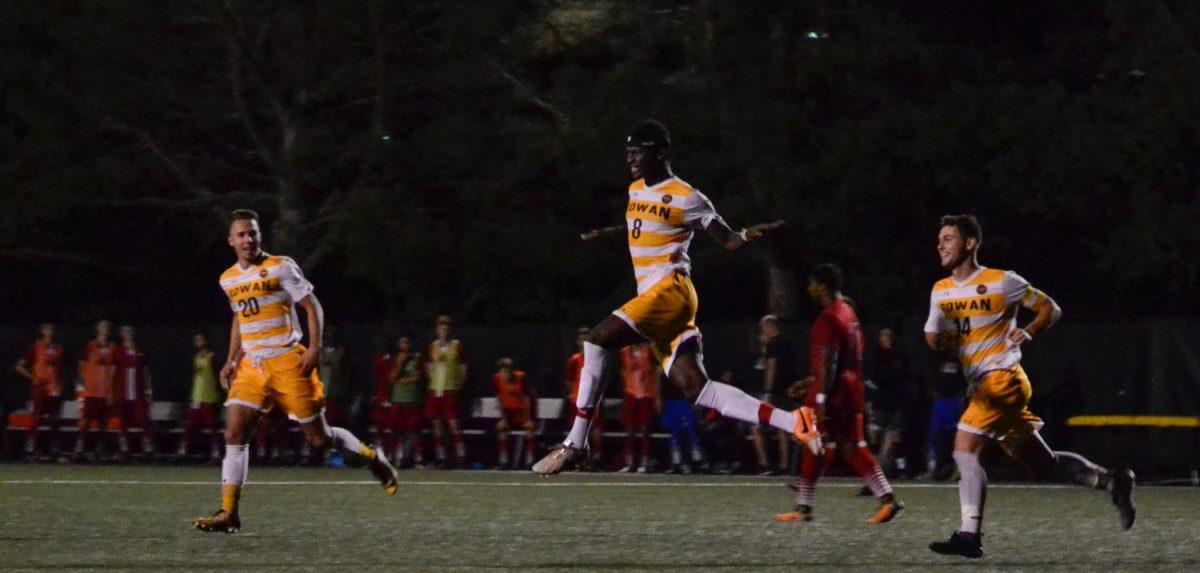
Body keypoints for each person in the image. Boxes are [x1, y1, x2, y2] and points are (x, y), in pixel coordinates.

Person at [533, 120, 819, 476]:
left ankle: (576, 442)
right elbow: (640, 228)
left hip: (670, 291)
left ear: (660, 153)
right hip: (659, 299)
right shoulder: (636, 190)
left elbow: (727, 239)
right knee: (699, 390)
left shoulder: (687, 196)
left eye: (637, 152)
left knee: (595, 342)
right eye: (628, 153)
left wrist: (752, 234)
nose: (630, 159)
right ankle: (794, 421)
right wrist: (608, 234)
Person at [923, 214, 1135, 558]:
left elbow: (1050, 308)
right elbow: (932, 336)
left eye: (948, 238)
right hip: (982, 386)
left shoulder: (1002, 281)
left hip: (1003, 379)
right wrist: (943, 342)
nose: (941, 245)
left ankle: (968, 535)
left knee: (964, 450)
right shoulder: (941, 290)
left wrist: (1029, 331)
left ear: (970, 243)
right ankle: (1111, 481)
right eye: (940, 239)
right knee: (1044, 463)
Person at [192, 209, 397, 534]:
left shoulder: (280, 267)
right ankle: (228, 512)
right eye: (242, 234)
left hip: (288, 361)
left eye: (253, 233)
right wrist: (232, 358)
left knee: (320, 438)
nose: (248, 239)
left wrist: (314, 348)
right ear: (230, 240)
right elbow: (240, 318)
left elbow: (312, 305)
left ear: (260, 236)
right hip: (253, 367)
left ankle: (373, 458)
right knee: (234, 433)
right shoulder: (228, 279)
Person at [776, 264, 902, 524]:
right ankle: (887, 500)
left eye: (812, 283)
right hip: (851, 389)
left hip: (834, 395)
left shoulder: (829, 317)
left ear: (822, 286)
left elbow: (830, 362)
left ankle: (804, 508)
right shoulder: (849, 313)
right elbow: (844, 359)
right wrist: (811, 381)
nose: (809, 289)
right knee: (849, 447)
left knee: (815, 442)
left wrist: (820, 398)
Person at [14, 323, 66, 461]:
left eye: (51, 329)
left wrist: (59, 383)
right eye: (47, 329)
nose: (50, 331)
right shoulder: (36, 346)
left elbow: (60, 368)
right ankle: (30, 450)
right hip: (40, 387)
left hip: (54, 387)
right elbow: (19, 366)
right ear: (42, 331)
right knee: (36, 418)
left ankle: (54, 451)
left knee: (54, 419)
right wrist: (33, 378)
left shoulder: (58, 348)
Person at [751, 315, 794, 475]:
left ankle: (764, 464)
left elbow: (771, 367)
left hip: (774, 393)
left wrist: (767, 392)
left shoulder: (773, 346)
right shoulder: (786, 344)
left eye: (764, 327)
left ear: (770, 326)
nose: (763, 331)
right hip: (785, 392)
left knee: (756, 427)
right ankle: (784, 465)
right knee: (782, 429)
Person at [424, 315, 468, 468]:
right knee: (437, 426)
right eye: (441, 329)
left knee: (453, 424)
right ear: (437, 330)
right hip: (436, 390)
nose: (444, 332)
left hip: (450, 390)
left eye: (446, 329)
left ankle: (461, 457)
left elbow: (463, 366)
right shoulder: (433, 346)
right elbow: (428, 364)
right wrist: (432, 378)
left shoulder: (456, 345)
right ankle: (440, 458)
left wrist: (459, 384)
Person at [73, 320, 117, 461]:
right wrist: (82, 384)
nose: (104, 329)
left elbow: (113, 368)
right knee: (85, 421)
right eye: (102, 327)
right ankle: (79, 450)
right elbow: (81, 365)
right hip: (91, 390)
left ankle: (99, 451)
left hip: (105, 391)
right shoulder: (90, 346)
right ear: (97, 329)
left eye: (107, 327)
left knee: (103, 423)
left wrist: (112, 388)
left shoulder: (112, 347)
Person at [869, 328, 909, 477]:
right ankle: (874, 467)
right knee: (875, 435)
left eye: (890, 336)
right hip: (880, 402)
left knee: (895, 437)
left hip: (896, 402)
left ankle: (900, 469)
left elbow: (904, 378)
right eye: (884, 337)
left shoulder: (900, 357)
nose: (888, 340)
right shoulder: (876, 357)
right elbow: (873, 378)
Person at [178, 333, 224, 463]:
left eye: (200, 340)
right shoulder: (196, 357)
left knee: (212, 426)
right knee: (189, 424)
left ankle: (215, 452)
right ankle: (183, 450)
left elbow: (216, 376)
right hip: (196, 397)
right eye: (196, 340)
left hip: (209, 396)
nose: (197, 343)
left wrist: (218, 395)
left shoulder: (212, 357)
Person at [563, 327, 604, 468]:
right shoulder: (574, 360)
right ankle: (576, 460)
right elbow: (569, 382)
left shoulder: (596, 358)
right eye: (581, 339)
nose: (584, 341)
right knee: (577, 431)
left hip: (593, 401)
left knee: (595, 430)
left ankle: (596, 457)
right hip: (577, 400)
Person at [113, 325, 155, 461]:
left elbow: (146, 373)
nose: (128, 334)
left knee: (143, 420)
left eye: (130, 331)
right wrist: (111, 391)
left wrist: (148, 391)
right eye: (125, 331)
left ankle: (148, 449)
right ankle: (124, 449)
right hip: (122, 393)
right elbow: (112, 373)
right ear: (121, 334)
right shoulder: (118, 351)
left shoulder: (139, 352)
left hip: (137, 393)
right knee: (122, 421)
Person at [618, 342, 660, 473]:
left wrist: (657, 395)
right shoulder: (624, 351)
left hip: (647, 394)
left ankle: (644, 461)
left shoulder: (649, 350)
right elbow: (622, 370)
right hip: (631, 393)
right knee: (630, 429)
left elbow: (658, 370)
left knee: (644, 429)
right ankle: (629, 462)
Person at [387, 336, 425, 468]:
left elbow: (418, 377)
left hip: (412, 399)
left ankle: (417, 459)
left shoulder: (416, 358)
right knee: (395, 430)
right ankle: (391, 457)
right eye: (402, 342)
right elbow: (391, 379)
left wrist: (402, 381)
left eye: (407, 342)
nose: (405, 345)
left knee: (414, 430)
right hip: (398, 399)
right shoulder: (395, 359)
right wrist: (401, 364)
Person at [493, 358, 536, 469]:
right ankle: (503, 461)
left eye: (507, 370)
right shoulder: (497, 379)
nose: (505, 374)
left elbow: (528, 399)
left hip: (521, 412)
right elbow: (500, 399)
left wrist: (528, 419)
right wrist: (503, 418)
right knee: (501, 428)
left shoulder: (520, 377)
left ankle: (529, 460)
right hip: (508, 413)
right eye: (503, 371)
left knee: (529, 429)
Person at [659, 371, 705, 474]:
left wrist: (694, 397)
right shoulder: (664, 361)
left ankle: (697, 461)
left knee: (690, 431)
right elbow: (659, 378)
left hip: (683, 400)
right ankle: (677, 462)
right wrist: (659, 398)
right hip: (669, 401)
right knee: (674, 433)